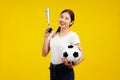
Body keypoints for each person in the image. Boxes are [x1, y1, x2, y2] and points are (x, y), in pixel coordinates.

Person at [42, 9, 84, 80]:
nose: (63, 20)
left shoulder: (73, 35)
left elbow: (82, 56)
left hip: (65, 71)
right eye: (61, 17)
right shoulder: (53, 34)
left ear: (71, 22)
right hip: (53, 70)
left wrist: (71, 66)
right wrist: (46, 37)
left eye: (66, 18)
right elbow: (44, 53)